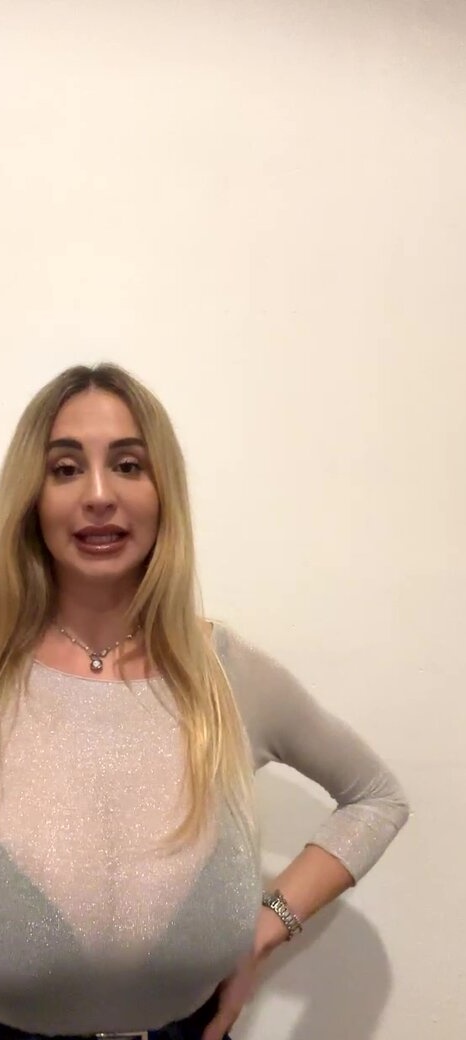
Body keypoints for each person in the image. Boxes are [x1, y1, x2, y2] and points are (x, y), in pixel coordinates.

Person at [0, 363, 409, 1040]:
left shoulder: (224, 673)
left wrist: (268, 927)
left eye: (128, 465)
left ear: (163, 489)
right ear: (31, 498)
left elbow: (376, 798)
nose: (99, 494)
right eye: (65, 469)